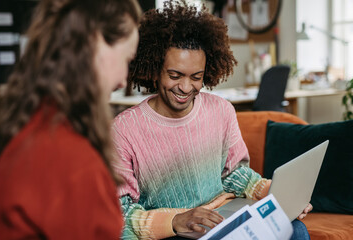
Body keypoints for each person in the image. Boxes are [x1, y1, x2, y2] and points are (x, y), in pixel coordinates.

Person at [111, 1, 312, 239]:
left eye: (196, 77)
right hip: (173, 233)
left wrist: (272, 192)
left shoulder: (221, 111)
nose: (185, 87)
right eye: (174, 75)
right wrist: (175, 221)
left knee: (295, 229)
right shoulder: (124, 129)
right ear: (155, 69)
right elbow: (119, 213)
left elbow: (234, 174)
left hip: (221, 220)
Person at [0, 0, 141, 239]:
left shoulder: (33, 125)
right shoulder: (71, 160)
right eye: (127, 60)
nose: (124, 80)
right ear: (95, 44)